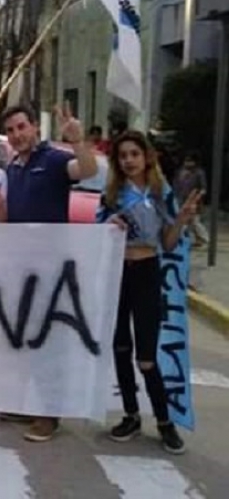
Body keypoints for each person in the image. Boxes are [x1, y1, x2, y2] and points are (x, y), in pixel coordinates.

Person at [98, 130, 202, 455]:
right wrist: (108, 224)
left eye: (134, 154)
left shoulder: (161, 192)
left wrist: (182, 220)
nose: (129, 160)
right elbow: (97, 233)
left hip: (147, 273)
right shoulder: (112, 193)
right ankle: (130, 415)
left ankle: (164, 422)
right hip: (118, 275)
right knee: (119, 347)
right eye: (123, 156)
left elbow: (169, 243)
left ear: (146, 157)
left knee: (146, 356)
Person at [1, 102, 99, 443]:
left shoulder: (54, 159)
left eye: (21, 127)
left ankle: (48, 414)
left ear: (34, 129)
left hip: (49, 266)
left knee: (48, 339)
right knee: (25, 337)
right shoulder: (13, 167)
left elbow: (86, 171)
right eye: (11, 130)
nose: (17, 134)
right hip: (20, 266)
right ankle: (30, 404)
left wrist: (77, 141)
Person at [174, 151, 209, 247]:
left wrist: (197, 198)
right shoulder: (180, 172)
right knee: (184, 221)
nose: (187, 163)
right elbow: (176, 185)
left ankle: (204, 238)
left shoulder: (199, 173)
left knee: (194, 221)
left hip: (194, 200)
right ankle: (188, 239)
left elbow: (203, 188)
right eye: (186, 161)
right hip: (181, 199)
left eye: (189, 161)